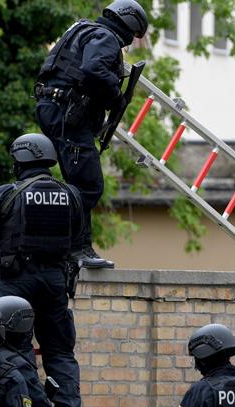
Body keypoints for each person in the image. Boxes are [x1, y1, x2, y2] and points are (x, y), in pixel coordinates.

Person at [0, 133, 84, 407]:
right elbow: (80, 242)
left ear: (20, 159)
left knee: (15, 350)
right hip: (56, 283)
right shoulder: (71, 194)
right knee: (59, 351)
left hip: (18, 283)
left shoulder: (8, 194)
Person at [33, 0, 150, 269]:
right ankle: (75, 249)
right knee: (88, 185)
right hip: (68, 116)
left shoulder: (86, 29)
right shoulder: (106, 38)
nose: (129, 42)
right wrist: (115, 95)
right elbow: (92, 69)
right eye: (132, 35)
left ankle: (69, 247)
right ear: (128, 25)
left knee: (77, 182)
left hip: (56, 110)